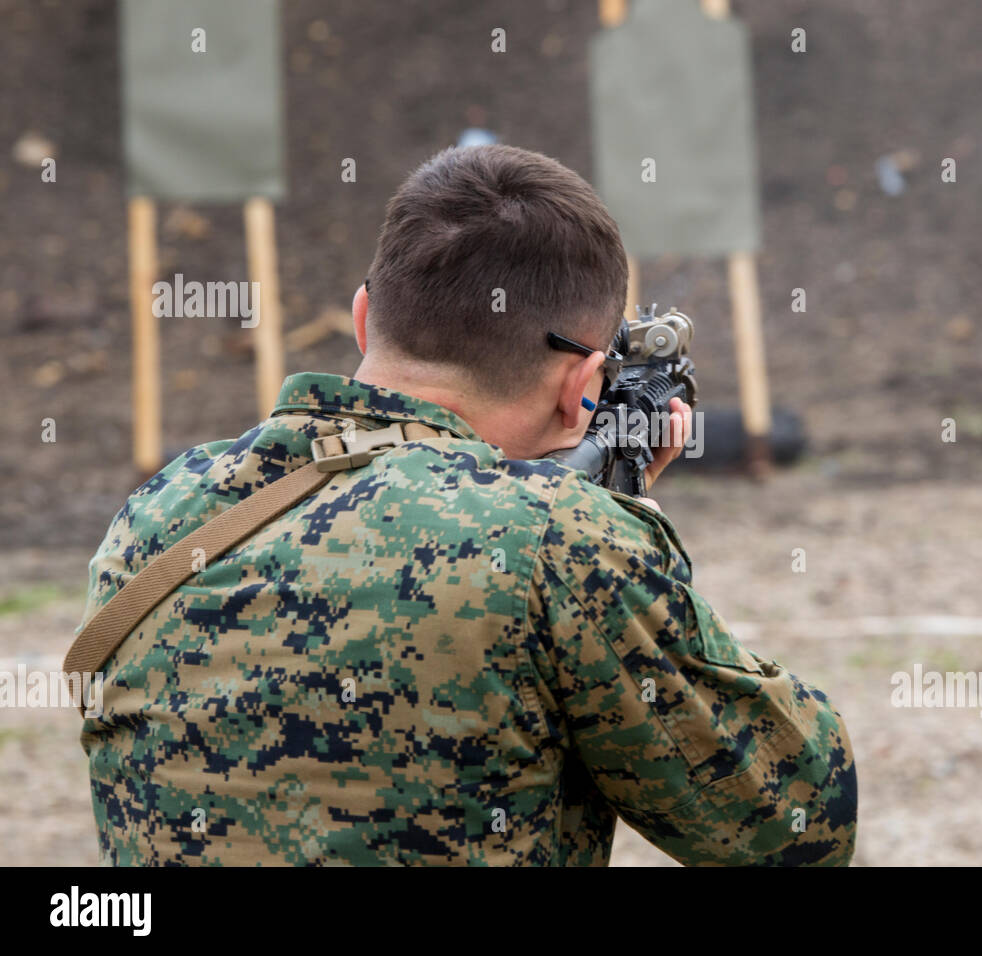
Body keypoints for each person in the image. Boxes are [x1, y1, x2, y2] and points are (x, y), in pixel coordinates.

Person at [76, 144, 857, 865]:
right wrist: (622, 521)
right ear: (582, 388)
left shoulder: (155, 520)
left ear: (361, 319)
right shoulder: (560, 542)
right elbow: (795, 823)